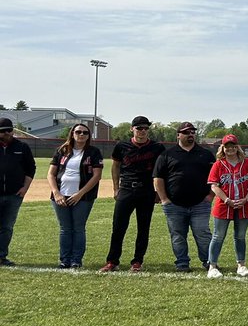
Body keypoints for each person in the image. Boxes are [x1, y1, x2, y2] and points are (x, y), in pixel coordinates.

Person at [100, 116, 165, 273]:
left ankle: (137, 261)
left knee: (143, 228)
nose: (142, 131)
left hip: (147, 190)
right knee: (118, 227)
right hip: (127, 189)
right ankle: (112, 261)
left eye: (145, 128)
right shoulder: (122, 146)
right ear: (132, 129)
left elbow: (163, 171)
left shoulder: (157, 147)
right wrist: (116, 188)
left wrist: (159, 192)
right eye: (139, 128)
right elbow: (115, 167)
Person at [153, 122, 215, 273]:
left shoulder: (205, 154)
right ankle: (182, 263)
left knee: (202, 233)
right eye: (187, 132)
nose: (190, 134)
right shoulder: (167, 154)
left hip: (200, 203)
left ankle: (209, 262)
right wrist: (164, 200)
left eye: (193, 132)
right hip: (174, 204)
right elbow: (158, 178)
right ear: (178, 135)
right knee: (177, 235)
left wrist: (210, 196)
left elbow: (216, 177)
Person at [47, 124, 104, 268]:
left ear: (88, 136)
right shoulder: (62, 150)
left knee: (78, 228)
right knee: (65, 228)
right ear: (72, 133)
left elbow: (97, 176)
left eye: (85, 132)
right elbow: (51, 174)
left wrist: (80, 193)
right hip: (60, 196)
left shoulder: (93, 152)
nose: (81, 134)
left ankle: (76, 260)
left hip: (83, 197)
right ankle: (64, 260)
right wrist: (56, 192)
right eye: (78, 132)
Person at [206, 135, 248, 278]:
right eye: (227, 146)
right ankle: (212, 266)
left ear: (237, 147)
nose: (230, 148)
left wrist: (247, 198)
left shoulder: (247, 163)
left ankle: (241, 265)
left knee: (240, 236)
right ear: (222, 148)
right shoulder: (218, 164)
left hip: (244, 204)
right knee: (218, 236)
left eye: (233, 146)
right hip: (223, 205)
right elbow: (214, 186)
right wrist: (227, 199)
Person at [0, 117, 37, 267]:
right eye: (3, 131)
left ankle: (1, 256)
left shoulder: (22, 147)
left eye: (9, 130)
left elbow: (31, 168)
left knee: (7, 227)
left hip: (14, 194)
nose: (7, 133)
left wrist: (25, 187)